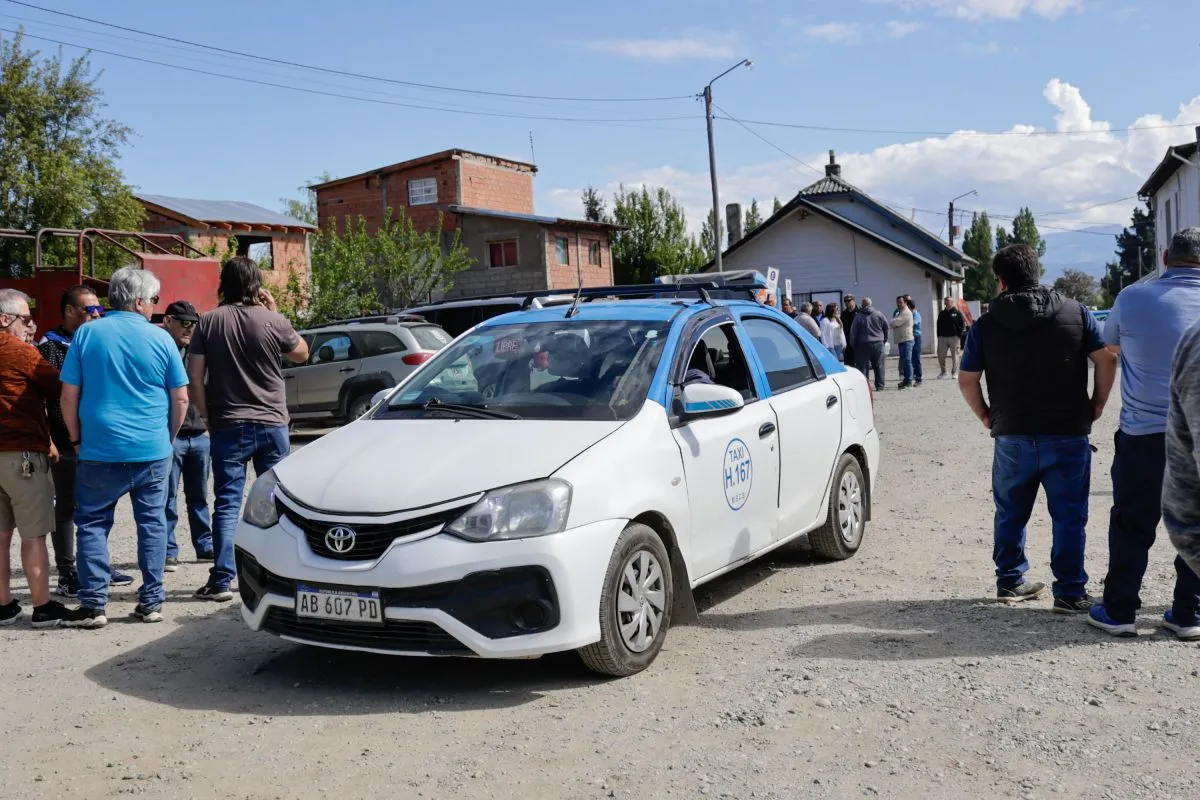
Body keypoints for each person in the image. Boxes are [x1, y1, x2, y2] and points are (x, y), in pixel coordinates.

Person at [958, 244, 1116, 611]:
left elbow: (967, 379)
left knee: (1010, 513)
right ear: (1036, 271)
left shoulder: (985, 324)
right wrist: (1097, 403)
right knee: (1069, 515)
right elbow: (1106, 360)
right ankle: (1070, 591)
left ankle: (1010, 580)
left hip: (1012, 431)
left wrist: (985, 414)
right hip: (1067, 430)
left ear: (1001, 281)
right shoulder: (1076, 312)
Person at [59, 268, 190, 629]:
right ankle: (151, 602)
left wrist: (76, 439)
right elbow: (180, 398)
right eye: (154, 300)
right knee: (152, 523)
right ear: (138, 301)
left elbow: (68, 397)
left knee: (92, 524)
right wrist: (167, 437)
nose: (155, 306)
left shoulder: (87, 334)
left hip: (99, 448)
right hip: (151, 448)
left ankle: (93, 605)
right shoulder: (161, 338)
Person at [1087, 229, 1200, 639]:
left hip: (1144, 434)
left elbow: (1110, 348)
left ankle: (1119, 611)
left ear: (1166, 256)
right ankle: (1189, 614)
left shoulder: (1133, 298)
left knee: (1132, 522)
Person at [188, 257, 309, 602]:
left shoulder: (208, 321)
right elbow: (302, 354)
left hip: (228, 423)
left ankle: (222, 580)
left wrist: (206, 415)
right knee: (278, 500)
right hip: (272, 422)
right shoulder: (273, 320)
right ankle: (283, 575)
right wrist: (277, 312)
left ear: (224, 283)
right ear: (257, 284)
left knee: (227, 502)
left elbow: (195, 376)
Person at [36, 285, 133, 596]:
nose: (96, 315)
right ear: (68, 311)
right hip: (65, 440)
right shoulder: (51, 345)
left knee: (98, 506)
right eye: (88, 310)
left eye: (99, 309)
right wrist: (51, 438)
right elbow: (49, 398)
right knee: (66, 506)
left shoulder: (98, 339)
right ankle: (67, 573)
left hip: (97, 439)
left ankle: (95, 565)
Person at [0, 289, 69, 628]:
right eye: (26, 319)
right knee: (34, 534)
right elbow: (59, 386)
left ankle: (3, 606)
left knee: (0, 535)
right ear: (4, 319)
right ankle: (42, 606)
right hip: (22, 453)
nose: (32, 326)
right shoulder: (21, 352)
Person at [161, 301, 214, 571]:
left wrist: (208, 425)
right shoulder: (159, 349)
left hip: (199, 436)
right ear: (168, 321)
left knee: (199, 496)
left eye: (193, 323)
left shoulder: (199, 352)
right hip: (171, 437)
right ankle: (168, 550)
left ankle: (204, 547)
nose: (189, 328)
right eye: (184, 323)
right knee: (167, 497)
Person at [1166, 317, 1200, 588]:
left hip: (1141, 430)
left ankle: (1120, 605)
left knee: (1131, 525)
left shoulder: (1195, 341)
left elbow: (1185, 515)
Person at [850, 297, 888, 391]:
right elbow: (886, 327)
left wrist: (853, 345)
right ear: (871, 304)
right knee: (879, 365)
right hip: (878, 343)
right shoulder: (879, 314)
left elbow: (853, 332)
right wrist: (884, 340)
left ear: (862, 305)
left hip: (862, 344)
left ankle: (865, 387)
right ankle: (880, 385)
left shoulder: (858, 316)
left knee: (862, 366)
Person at [936, 296, 966, 379]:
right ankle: (943, 372)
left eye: (949, 301)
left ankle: (954, 372)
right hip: (943, 338)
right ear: (944, 303)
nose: (947, 302)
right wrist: (939, 336)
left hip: (954, 338)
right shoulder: (942, 313)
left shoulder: (957, 313)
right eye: (946, 301)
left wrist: (959, 335)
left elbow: (962, 324)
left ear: (952, 302)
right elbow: (938, 325)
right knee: (941, 355)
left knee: (955, 356)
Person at [891, 296, 915, 389]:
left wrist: (894, 323)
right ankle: (906, 380)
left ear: (905, 303)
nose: (899, 304)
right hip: (902, 340)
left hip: (906, 340)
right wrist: (894, 323)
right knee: (904, 361)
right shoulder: (899, 312)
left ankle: (909, 382)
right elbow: (894, 323)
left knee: (907, 361)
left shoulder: (906, 312)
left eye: (901, 302)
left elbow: (894, 323)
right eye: (897, 302)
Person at [905, 296, 924, 386]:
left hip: (916, 338)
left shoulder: (916, 315)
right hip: (910, 337)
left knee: (916, 359)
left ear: (909, 306)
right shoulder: (909, 314)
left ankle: (919, 379)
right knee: (910, 359)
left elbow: (912, 324)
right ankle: (911, 377)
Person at [842, 295, 859, 370]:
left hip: (858, 341)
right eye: (845, 301)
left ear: (854, 301)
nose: (847, 303)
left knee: (860, 364)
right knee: (848, 365)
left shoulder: (860, 312)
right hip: (848, 342)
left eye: (849, 301)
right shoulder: (844, 314)